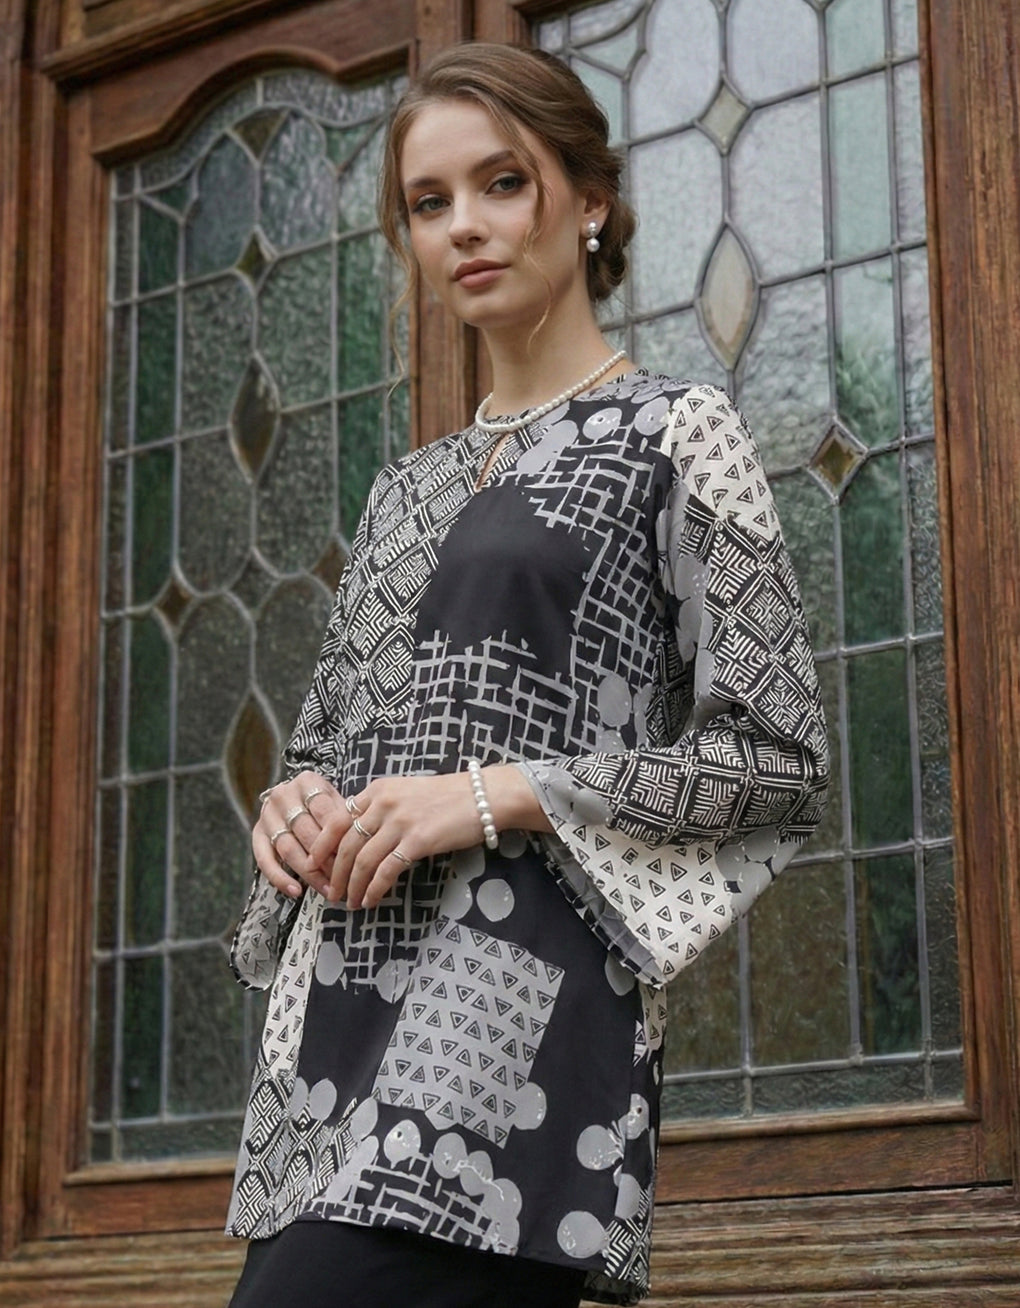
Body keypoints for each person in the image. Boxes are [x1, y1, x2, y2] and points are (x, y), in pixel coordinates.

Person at [224, 41, 829, 1308]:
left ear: (590, 199)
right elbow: (332, 742)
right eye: (427, 202)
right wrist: (293, 805)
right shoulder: (408, 489)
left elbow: (775, 756)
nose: (463, 226)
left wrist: (495, 793)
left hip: (516, 1001)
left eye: (502, 182)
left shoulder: (679, 434)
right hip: (341, 1008)